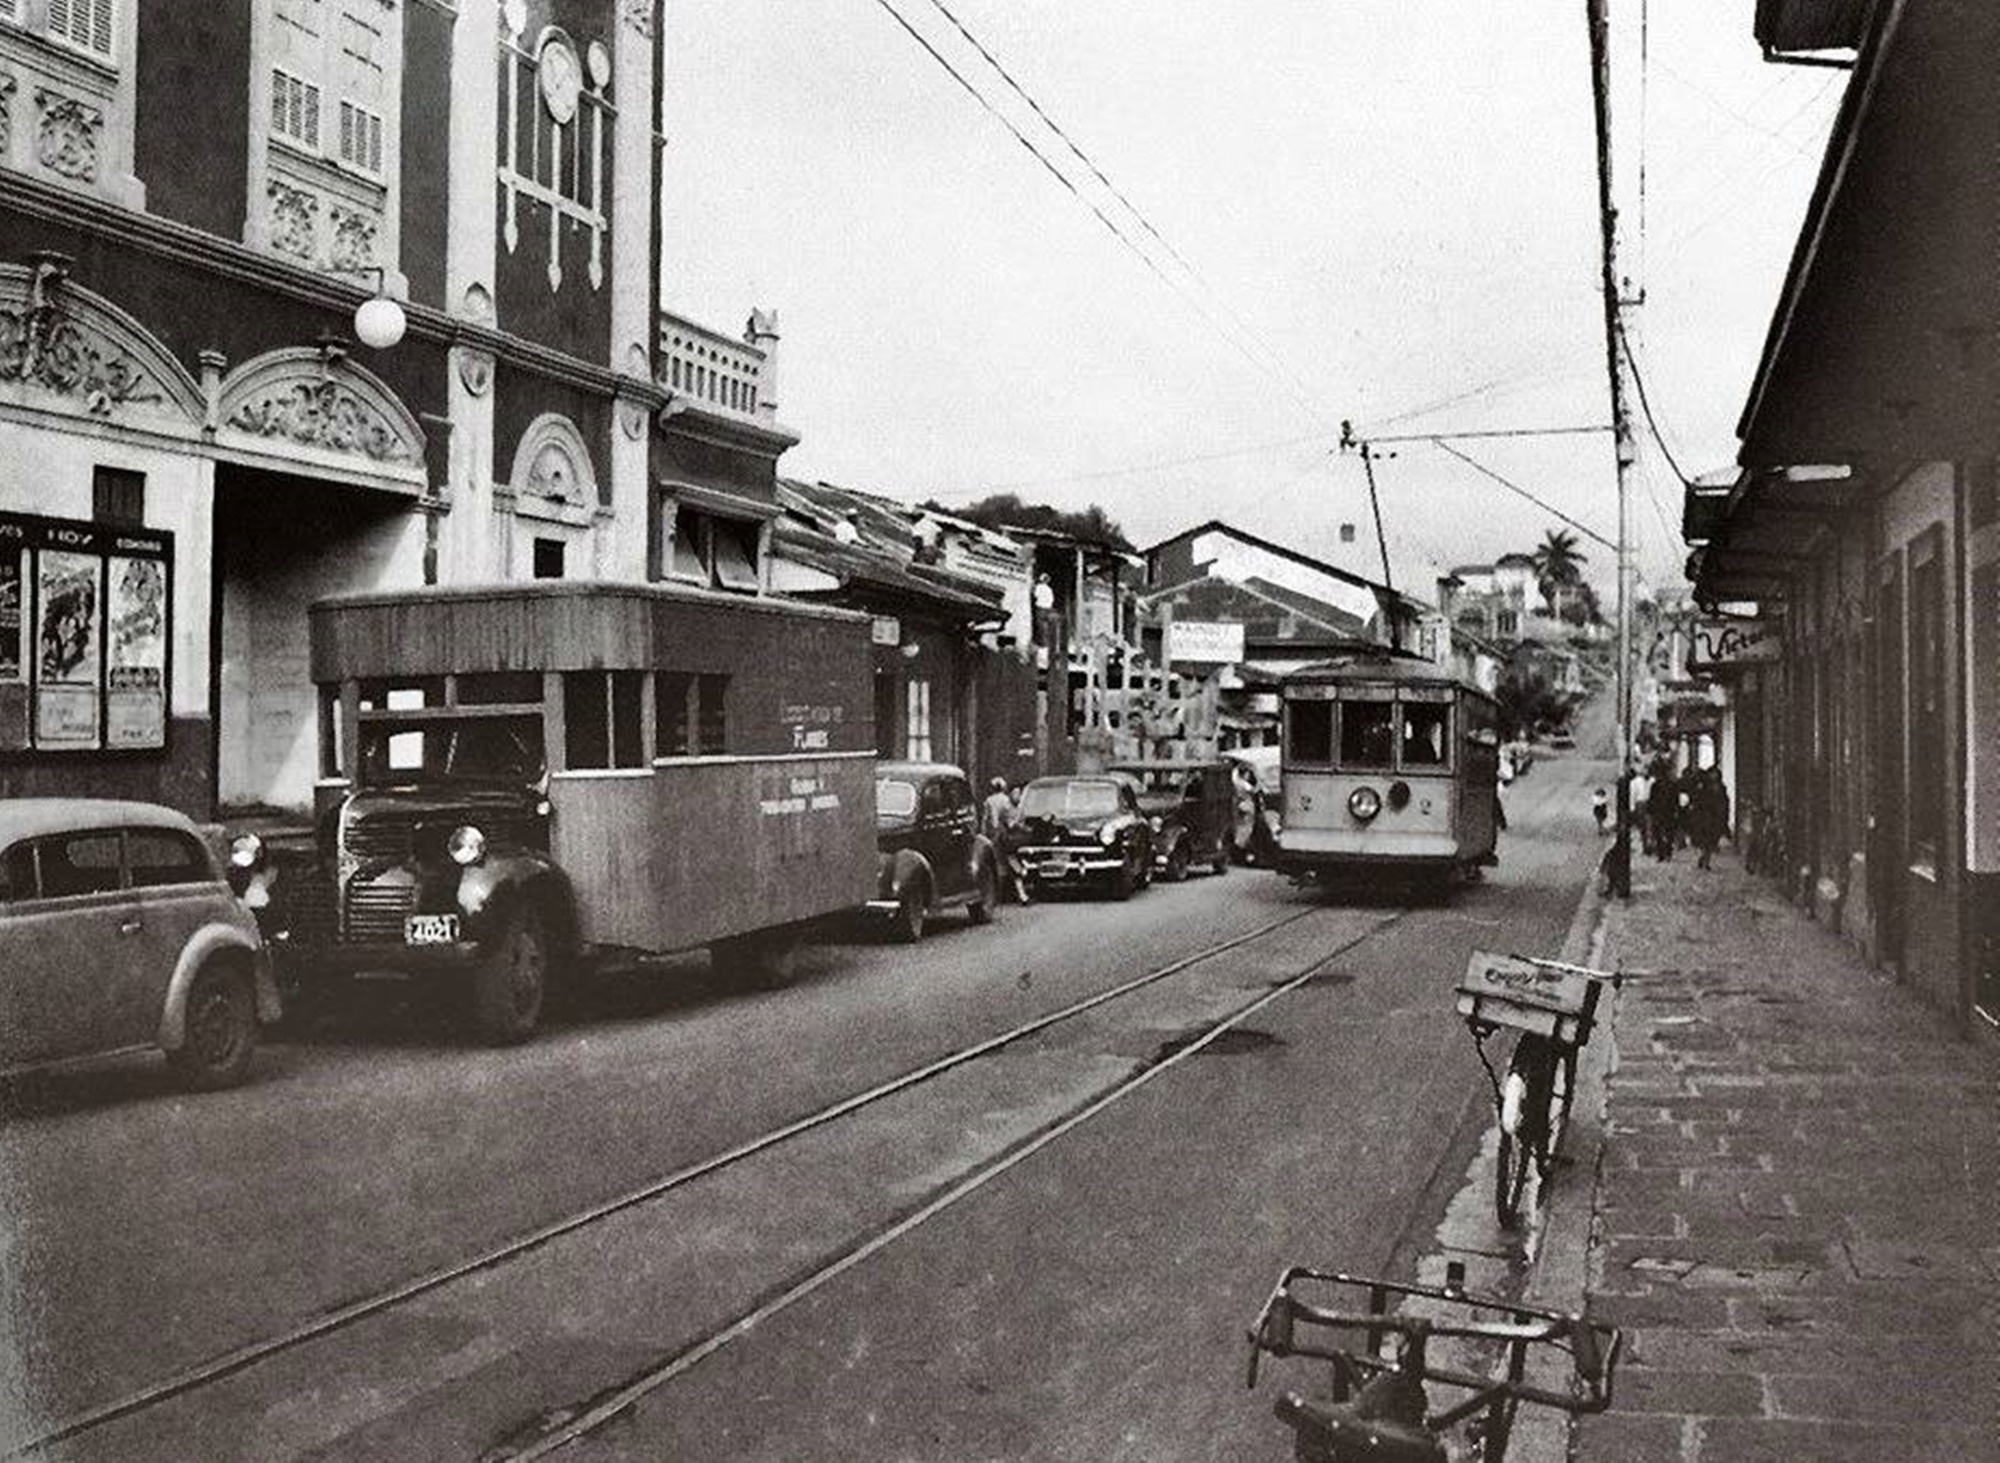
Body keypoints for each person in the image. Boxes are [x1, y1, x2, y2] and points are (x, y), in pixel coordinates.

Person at [984, 777, 1030, 905]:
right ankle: (1014, 894)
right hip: (1007, 840)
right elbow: (1009, 823)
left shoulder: (990, 800)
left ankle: (1009, 895)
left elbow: (987, 819)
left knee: (1004, 866)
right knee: (1010, 866)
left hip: (1004, 837)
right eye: (1016, 793)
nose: (1018, 796)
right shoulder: (1006, 804)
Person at [1687, 767, 1730, 869]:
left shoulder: (1722, 787)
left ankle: (1705, 858)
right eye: (1712, 773)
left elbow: (1724, 801)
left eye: (1715, 774)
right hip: (1705, 817)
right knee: (1705, 839)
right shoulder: (1704, 787)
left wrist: (1724, 814)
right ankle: (1705, 858)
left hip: (1716, 817)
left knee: (1712, 839)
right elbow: (1697, 799)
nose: (1713, 776)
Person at [1648, 760, 1679, 862]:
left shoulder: (1671, 785)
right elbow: (1652, 800)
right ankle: (1662, 854)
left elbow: (1675, 799)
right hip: (1660, 812)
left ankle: (1666, 853)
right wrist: (1651, 812)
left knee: (1667, 834)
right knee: (1660, 834)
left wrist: (1676, 810)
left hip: (1667, 812)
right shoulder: (1656, 786)